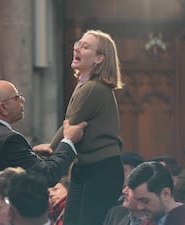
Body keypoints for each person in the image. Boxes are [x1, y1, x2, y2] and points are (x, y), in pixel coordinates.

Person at [34, 29, 124, 225]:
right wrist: (52, 147)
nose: (78, 48)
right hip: (86, 166)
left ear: (99, 58)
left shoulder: (94, 87)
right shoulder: (85, 84)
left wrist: (52, 149)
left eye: (86, 46)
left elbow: (71, 123)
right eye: (78, 44)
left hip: (101, 168)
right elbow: (69, 123)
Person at [0, 80, 87, 187]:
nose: (23, 100)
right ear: (3, 107)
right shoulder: (9, 140)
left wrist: (30, 155)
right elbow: (48, 176)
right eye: (17, 97)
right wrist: (68, 141)